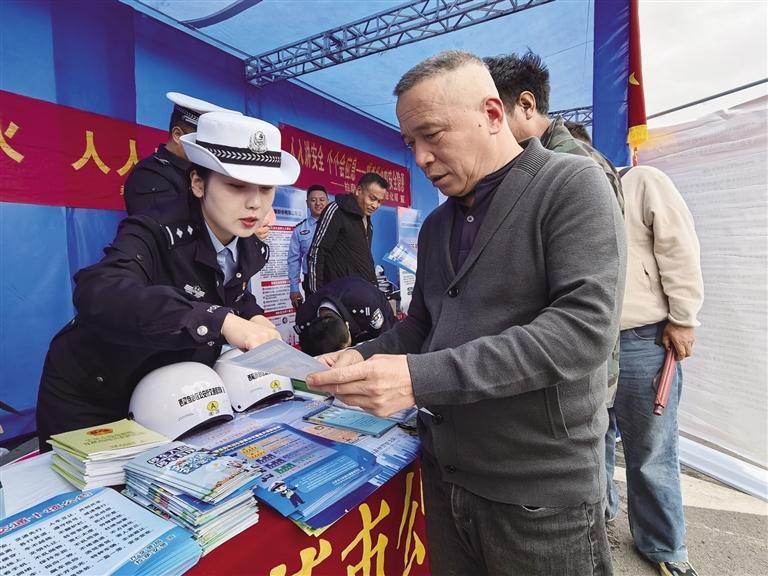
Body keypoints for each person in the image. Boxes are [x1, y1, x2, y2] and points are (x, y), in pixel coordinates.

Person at [306, 51, 625, 575]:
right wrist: (357, 357)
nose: (421, 157)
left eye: (432, 135)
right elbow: (421, 327)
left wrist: (419, 379)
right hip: (447, 476)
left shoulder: (571, 185)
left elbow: (580, 331)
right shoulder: (438, 227)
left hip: (537, 493)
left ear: (493, 114)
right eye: (410, 142)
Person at [36, 111, 300, 449]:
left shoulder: (247, 243)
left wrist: (254, 316)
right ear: (198, 183)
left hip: (165, 394)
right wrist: (220, 321)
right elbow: (99, 291)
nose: (255, 203)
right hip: (96, 390)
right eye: (236, 186)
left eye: (266, 188)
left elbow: (225, 290)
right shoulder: (156, 230)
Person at [485, 51, 624, 404]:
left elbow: (584, 304)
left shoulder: (575, 166)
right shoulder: (527, 165)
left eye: (494, 114)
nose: (487, 129)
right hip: (538, 364)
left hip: (570, 378)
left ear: (526, 105)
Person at [605, 165, 704, 576]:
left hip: (640, 337)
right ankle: (600, 517)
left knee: (651, 450)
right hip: (588, 341)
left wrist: (683, 318)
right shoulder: (562, 191)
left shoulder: (642, 181)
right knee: (591, 442)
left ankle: (664, 545)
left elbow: (678, 248)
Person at [123, 92, 234, 215]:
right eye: (202, 142)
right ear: (177, 135)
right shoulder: (149, 175)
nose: (209, 149)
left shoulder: (205, 172)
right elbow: (166, 222)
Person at [306, 172, 388, 293]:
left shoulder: (367, 219)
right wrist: (318, 294)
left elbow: (361, 258)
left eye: (379, 201)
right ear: (358, 191)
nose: (375, 205)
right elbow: (317, 251)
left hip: (362, 292)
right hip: (340, 294)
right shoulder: (336, 210)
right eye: (372, 198)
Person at [294, 276, 397, 356]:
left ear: (347, 325)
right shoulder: (304, 320)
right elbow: (310, 357)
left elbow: (386, 341)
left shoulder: (367, 305)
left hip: (373, 311)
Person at [287, 184, 329, 310]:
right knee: (314, 316)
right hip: (310, 281)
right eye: (313, 200)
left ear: (327, 202)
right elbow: (294, 260)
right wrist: (294, 288)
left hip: (334, 278)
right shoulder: (299, 230)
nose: (318, 203)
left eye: (322, 199)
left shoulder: (338, 226)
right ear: (307, 203)